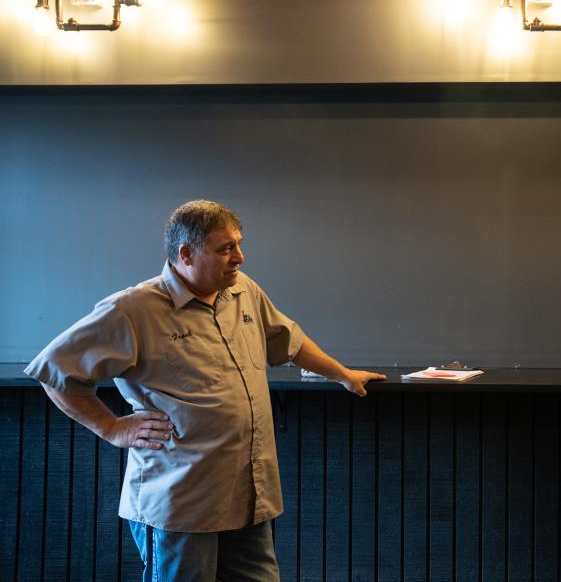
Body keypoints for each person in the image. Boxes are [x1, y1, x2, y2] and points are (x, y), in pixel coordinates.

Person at [24, 199, 386, 582]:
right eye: (225, 248)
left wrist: (342, 374)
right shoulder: (131, 309)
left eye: (239, 245)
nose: (240, 258)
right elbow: (54, 371)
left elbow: (288, 340)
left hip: (249, 495)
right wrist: (112, 428)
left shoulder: (243, 291)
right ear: (186, 254)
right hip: (183, 504)